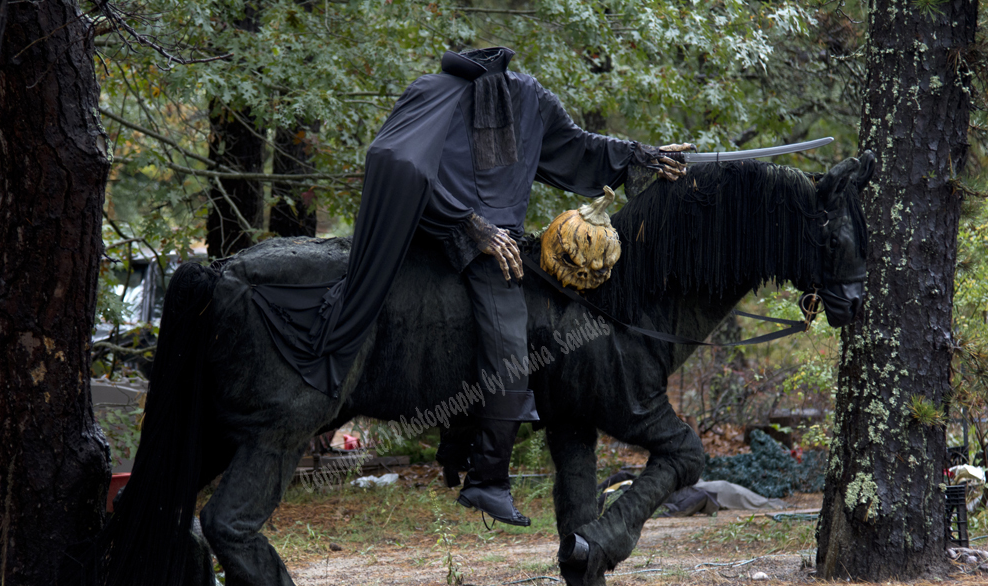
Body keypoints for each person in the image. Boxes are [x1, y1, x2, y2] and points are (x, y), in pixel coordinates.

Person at [251, 46, 690, 526]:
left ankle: (469, 451)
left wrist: (638, 156)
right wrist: (465, 222)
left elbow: (577, 146)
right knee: (508, 340)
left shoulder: (528, 96)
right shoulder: (432, 92)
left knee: (514, 317)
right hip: (437, 234)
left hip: (501, 237)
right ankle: (487, 479)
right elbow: (394, 159)